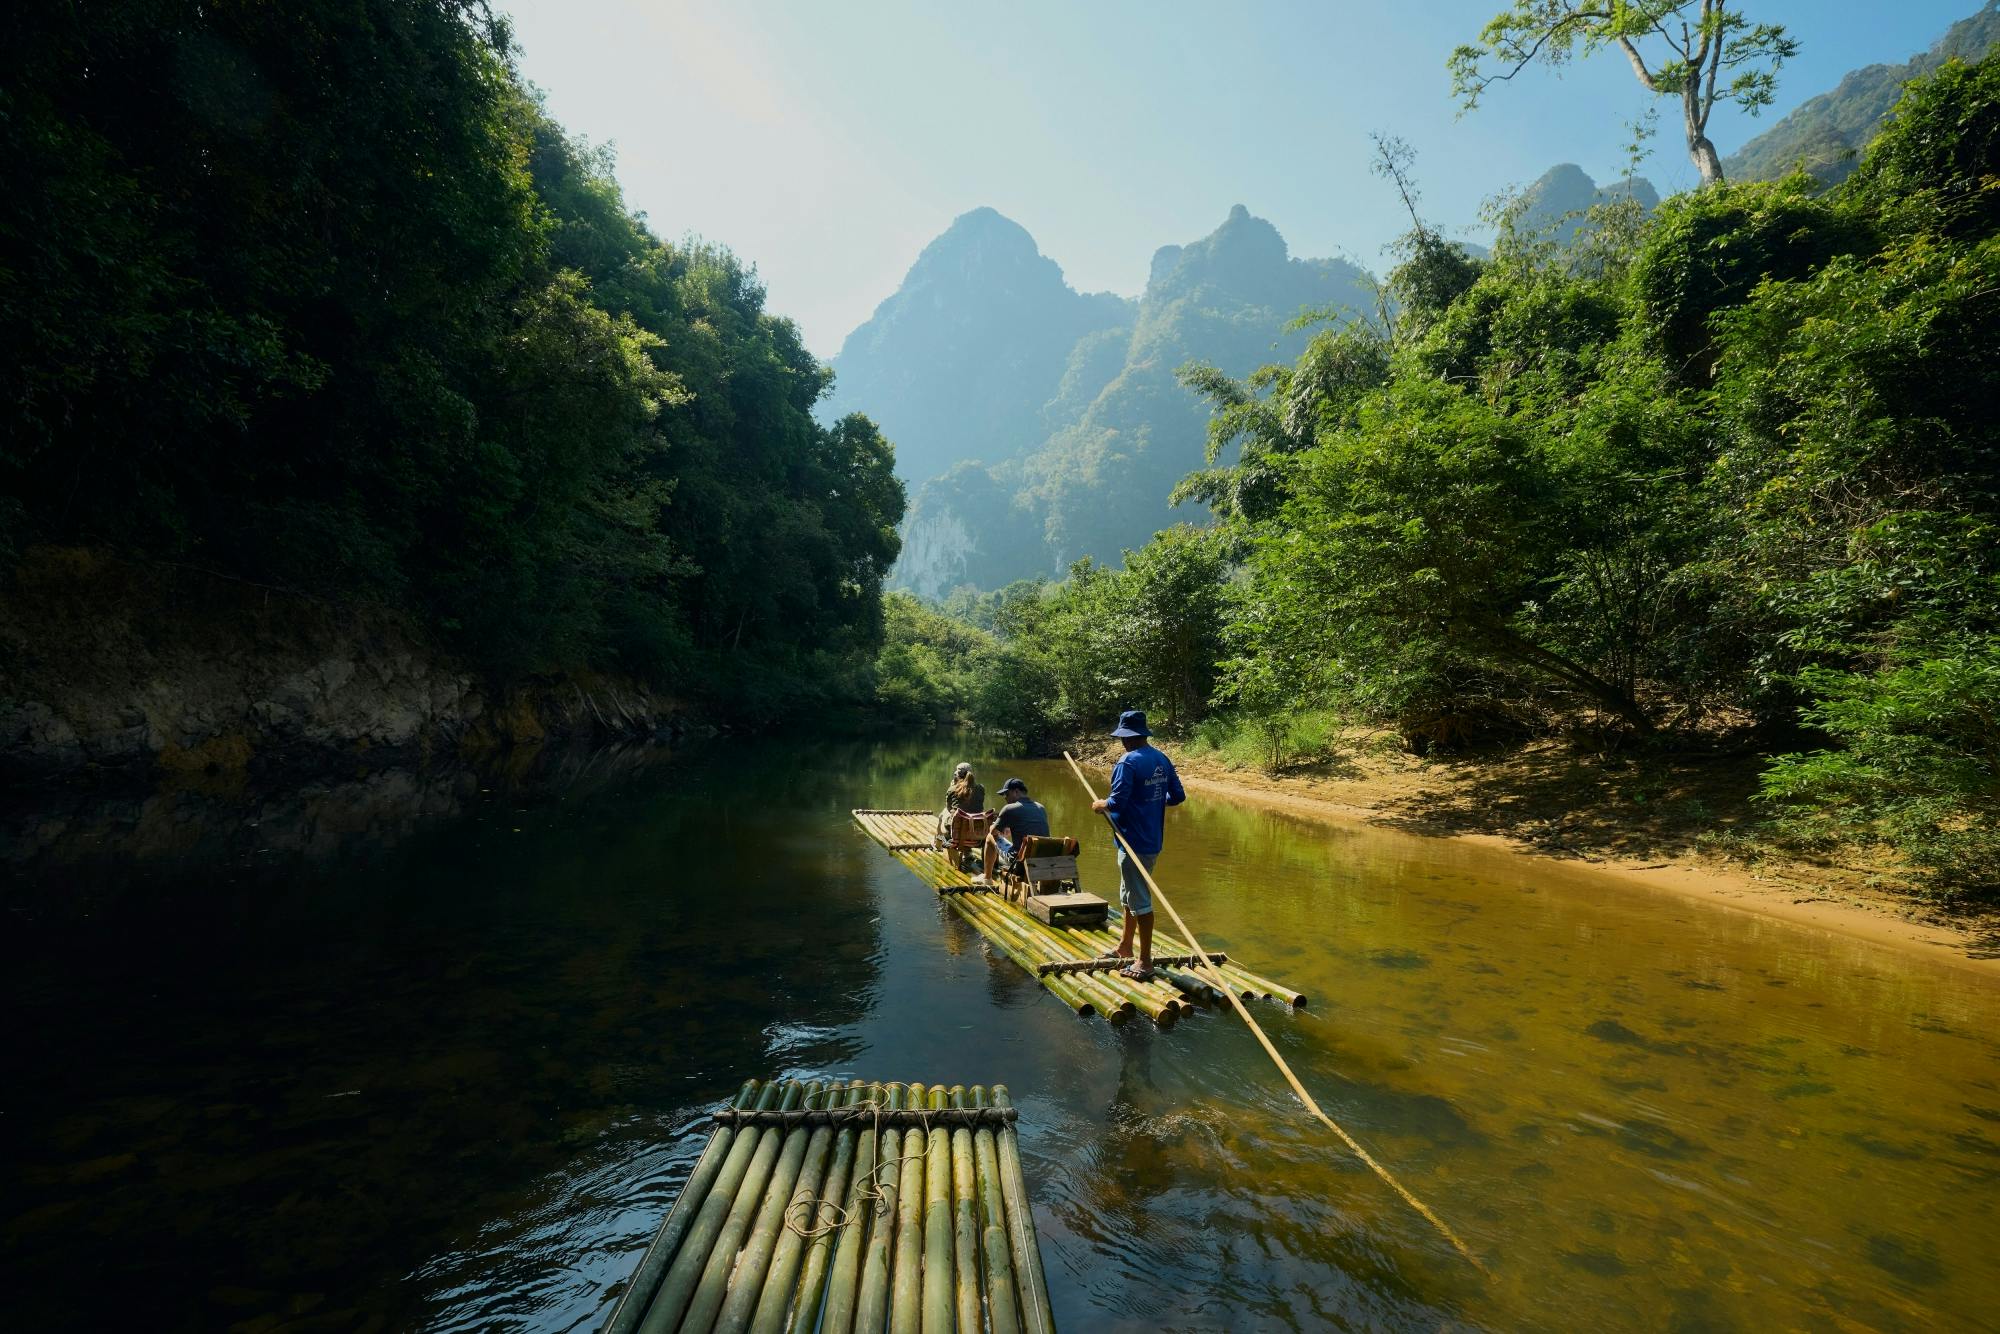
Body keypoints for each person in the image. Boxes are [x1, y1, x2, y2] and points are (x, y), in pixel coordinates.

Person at [1090, 709, 1184, 980]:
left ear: (1126, 738)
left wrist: (1100, 805)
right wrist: (1150, 801)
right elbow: (1177, 796)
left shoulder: (1127, 763)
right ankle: (1125, 947)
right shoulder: (1162, 758)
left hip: (1133, 841)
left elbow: (1116, 802)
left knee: (1140, 899)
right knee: (1128, 896)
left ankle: (1144, 961)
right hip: (1152, 839)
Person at [979, 777, 1050, 885]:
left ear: (1016, 791)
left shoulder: (1009, 808)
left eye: (1007, 794)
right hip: (1041, 863)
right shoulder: (1041, 807)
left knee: (989, 837)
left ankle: (987, 878)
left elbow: (993, 831)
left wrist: (999, 829)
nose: (1005, 798)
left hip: (1020, 864)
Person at [939, 762, 985, 841]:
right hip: (976, 827)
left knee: (943, 814)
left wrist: (952, 786)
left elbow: (948, 807)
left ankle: (938, 843)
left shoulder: (953, 788)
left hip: (956, 829)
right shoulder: (981, 788)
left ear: (957, 775)